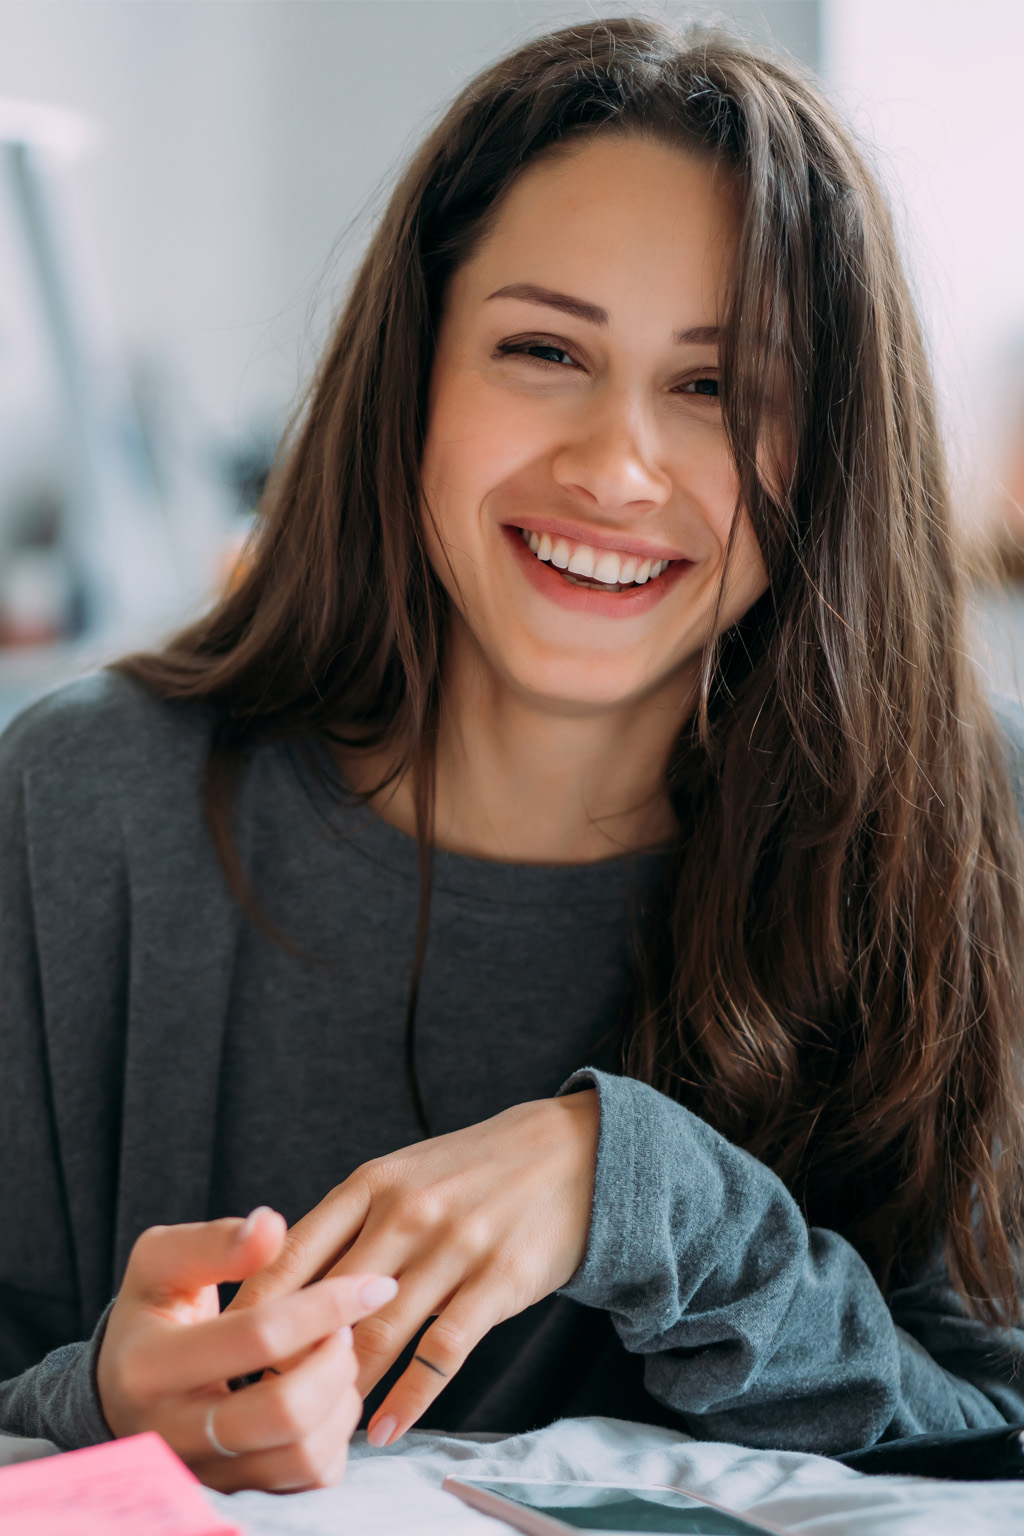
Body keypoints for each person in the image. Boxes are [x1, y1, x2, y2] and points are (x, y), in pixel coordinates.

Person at [2, 15, 1023, 1496]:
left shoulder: (982, 827)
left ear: (833, 452)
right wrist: (101, 1393)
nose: (616, 468)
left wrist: (635, 1194)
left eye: (718, 388)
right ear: (415, 373)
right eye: (544, 350)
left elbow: (989, 1437)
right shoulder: (85, 806)